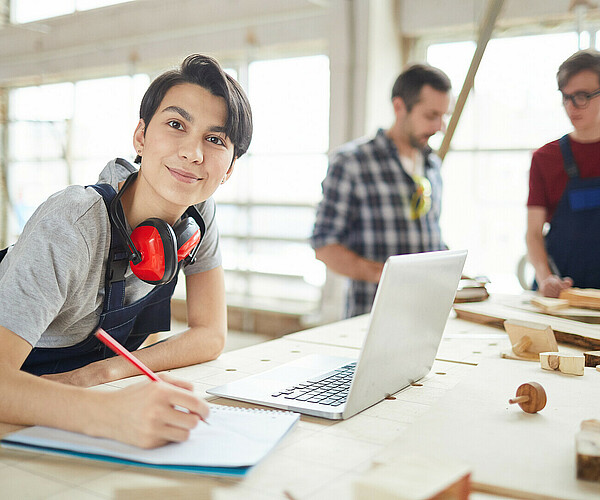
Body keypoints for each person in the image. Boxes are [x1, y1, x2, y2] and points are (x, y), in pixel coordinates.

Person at [0, 54, 253, 447]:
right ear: (140, 136)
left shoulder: (199, 215)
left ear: (231, 167)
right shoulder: (73, 223)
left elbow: (211, 335)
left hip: (59, 400)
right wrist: (110, 414)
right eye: (175, 125)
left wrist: (102, 374)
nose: (193, 153)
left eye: (215, 139)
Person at [311, 63, 452, 317]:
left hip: (427, 314)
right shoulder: (352, 162)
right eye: (431, 116)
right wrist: (388, 275)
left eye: (444, 116)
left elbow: (430, 238)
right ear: (399, 107)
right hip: (372, 316)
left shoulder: (433, 165)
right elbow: (324, 245)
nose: (439, 127)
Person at [526, 50, 600, 298]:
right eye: (566, 97)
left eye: (582, 96)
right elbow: (533, 233)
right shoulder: (545, 158)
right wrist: (545, 278)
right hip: (560, 298)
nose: (571, 106)